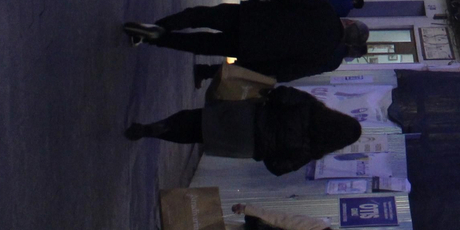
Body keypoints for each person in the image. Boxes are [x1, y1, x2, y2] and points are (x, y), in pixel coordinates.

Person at [124, 0, 371, 81]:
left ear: (349, 24)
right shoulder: (323, 55)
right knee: (200, 44)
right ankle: (156, 39)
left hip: (252, 17)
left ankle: (161, 25)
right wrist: (251, 66)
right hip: (251, 47)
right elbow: (288, 71)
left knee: (202, 15)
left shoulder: (325, 10)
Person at [123, 85, 362, 176]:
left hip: (247, 117)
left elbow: (281, 94)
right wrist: (267, 151)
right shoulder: (310, 151)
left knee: (197, 119)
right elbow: (278, 169)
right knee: (197, 136)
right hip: (246, 144)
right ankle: (161, 133)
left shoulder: (313, 108)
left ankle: (155, 127)